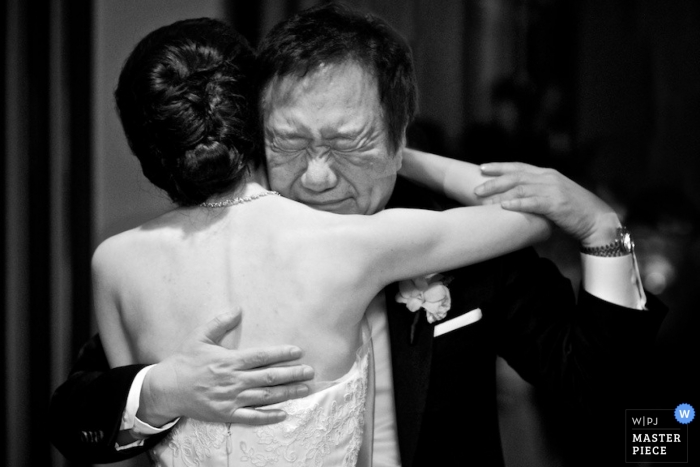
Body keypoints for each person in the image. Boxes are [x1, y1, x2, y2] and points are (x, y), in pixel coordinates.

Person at [49, 4, 666, 467]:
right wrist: (156, 392)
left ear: (401, 139)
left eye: (351, 144)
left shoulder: (452, 239)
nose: (317, 178)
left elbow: (602, 392)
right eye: (288, 143)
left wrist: (606, 233)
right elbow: (75, 416)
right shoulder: (197, 255)